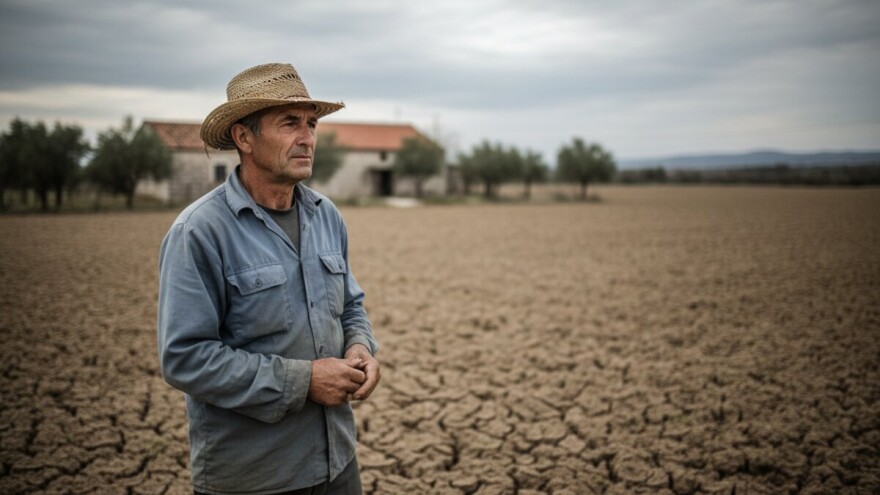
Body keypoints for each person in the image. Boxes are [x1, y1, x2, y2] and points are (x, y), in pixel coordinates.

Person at [157, 63, 380, 495]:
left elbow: (351, 305)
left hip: (338, 464)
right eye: (289, 123)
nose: (307, 138)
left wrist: (359, 346)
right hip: (255, 478)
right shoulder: (200, 231)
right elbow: (184, 356)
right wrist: (304, 381)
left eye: (311, 124)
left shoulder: (325, 215)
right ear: (244, 137)